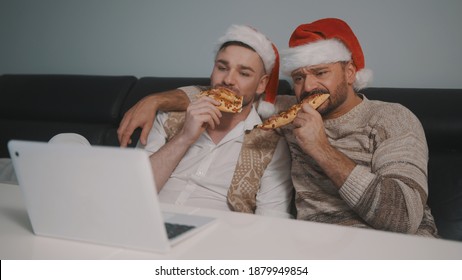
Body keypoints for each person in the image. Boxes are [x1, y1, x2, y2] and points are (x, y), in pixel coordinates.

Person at [117, 18, 439, 237]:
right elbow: (232, 93)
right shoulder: (284, 111)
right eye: (298, 77)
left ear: (351, 71)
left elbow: (403, 218)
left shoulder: (393, 117)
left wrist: (321, 150)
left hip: (392, 249)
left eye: (320, 72)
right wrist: (156, 99)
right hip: (310, 249)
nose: (308, 87)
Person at [141, 24, 293, 218]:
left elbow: (272, 219)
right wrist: (184, 138)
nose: (228, 80)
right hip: (148, 219)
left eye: (244, 73)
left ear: (261, 84)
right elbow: (135, 191)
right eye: (222, 67)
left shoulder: (270, 145)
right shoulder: (168, 116)